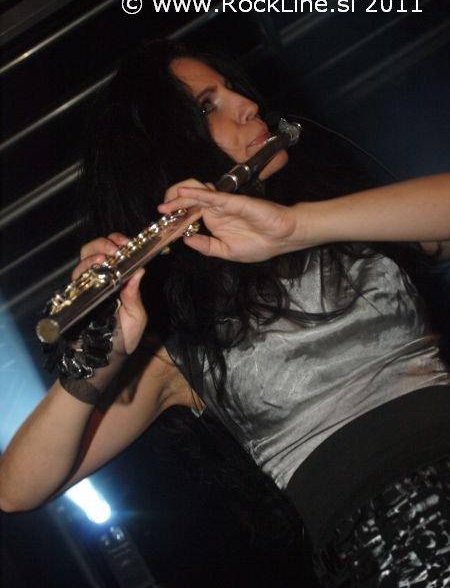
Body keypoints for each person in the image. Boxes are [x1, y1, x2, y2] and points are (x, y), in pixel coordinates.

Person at [0, 38, 449, 586]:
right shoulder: (185, 349)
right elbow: (15, 488)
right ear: (170, 155)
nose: (248, 105)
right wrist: (99, 356)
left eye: (233, 89)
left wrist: (296, 227)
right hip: (384, 556)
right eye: (209, 105)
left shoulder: (348, 228)